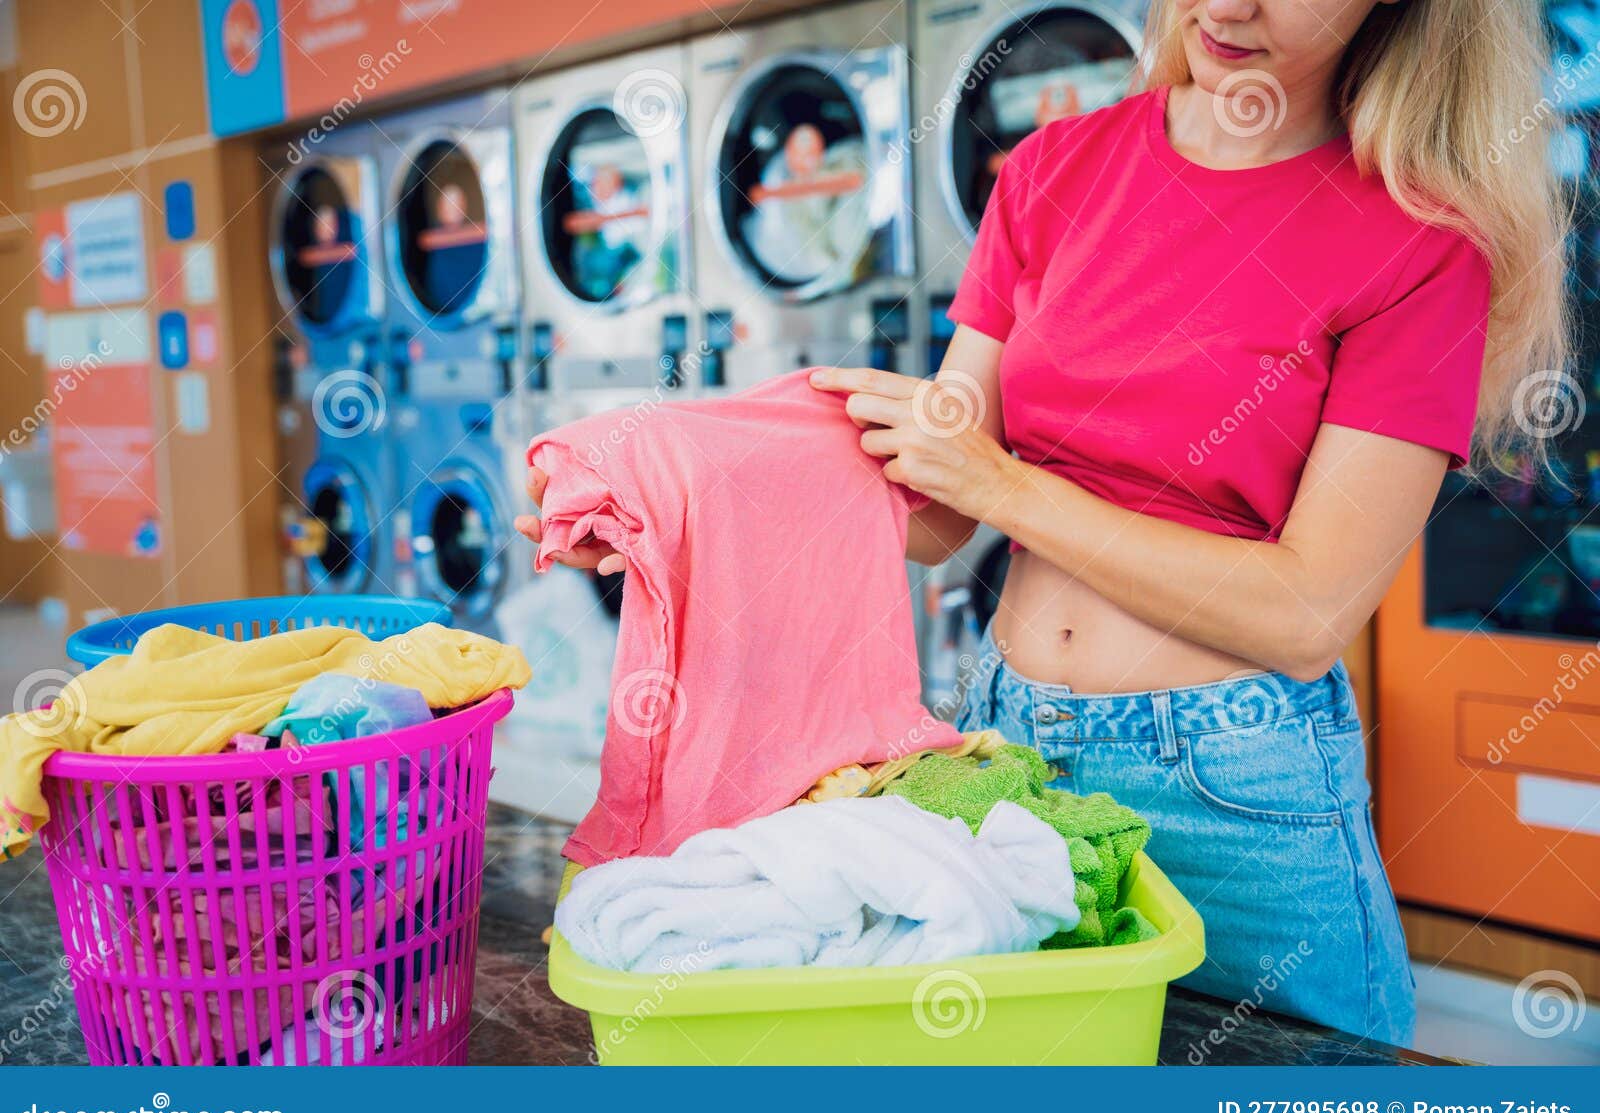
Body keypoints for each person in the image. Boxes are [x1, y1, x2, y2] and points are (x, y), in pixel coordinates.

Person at [520, 0, 1569, 1046]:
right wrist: (673, 502)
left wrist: (1006, 489)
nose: (1231, 6)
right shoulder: (1053, 172)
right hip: (1003, 745)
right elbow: (933, 502)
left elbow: (1307, 609)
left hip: (1231, 789)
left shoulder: (1417, 243)